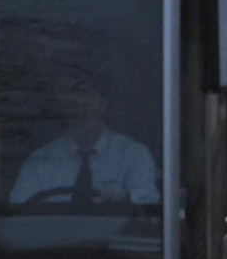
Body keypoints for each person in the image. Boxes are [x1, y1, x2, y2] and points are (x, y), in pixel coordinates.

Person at [9, 75, 159, 205]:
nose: (80, 110)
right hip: (54, 237)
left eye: (87, 101)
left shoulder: (133, 154)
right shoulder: (39, 161)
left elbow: (150, 198)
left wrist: (126, 197)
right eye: (72, 104)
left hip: (117, 237)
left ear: (103, 104)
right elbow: (19, 211)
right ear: (62, 110)